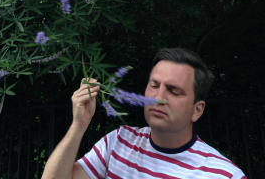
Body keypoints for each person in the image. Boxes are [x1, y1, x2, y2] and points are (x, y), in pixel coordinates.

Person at [41, 48, 247, 179]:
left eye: (174, 91)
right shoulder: (118, 142)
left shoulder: (225, 174)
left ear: (197, 110)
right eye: (154, 85)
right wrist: (79, 125)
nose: (159, 97)